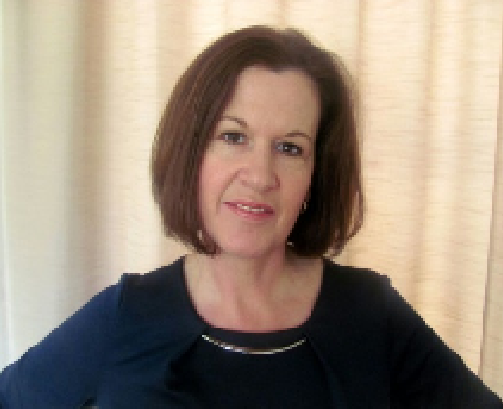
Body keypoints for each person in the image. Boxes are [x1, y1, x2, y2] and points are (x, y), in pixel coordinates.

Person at [0, 25, 501, 408]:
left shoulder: (372, 315)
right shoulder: (126, 316)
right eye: (233, 137)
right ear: (191, 153)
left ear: (316, 175)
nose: (260, 176)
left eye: (290, 148)